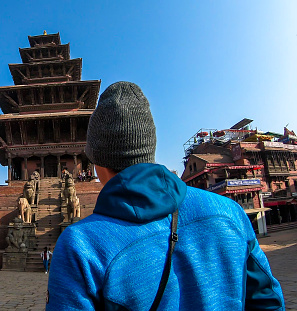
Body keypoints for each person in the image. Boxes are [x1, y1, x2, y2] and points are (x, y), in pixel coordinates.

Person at [46, 82, 284, 310]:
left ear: (96, 162)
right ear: (149, 149)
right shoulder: (230, 213)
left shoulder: (81, 245)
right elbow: (268, 301)